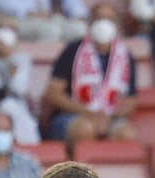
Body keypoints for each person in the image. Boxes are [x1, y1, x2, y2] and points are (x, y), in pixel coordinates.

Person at [43, 2, 138, 148]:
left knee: (126, 134)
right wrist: (89, 114)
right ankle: (81, 171)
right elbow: (53, 93)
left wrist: (107, 118)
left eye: (109, 19)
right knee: (84, 129)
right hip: (73, 115)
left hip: (110, 116)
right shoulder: (72, 50)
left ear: (117, 25)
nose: (103, 24)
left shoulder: (125, 55)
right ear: (90, 23)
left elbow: (131, 100)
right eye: (99, 18)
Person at [0, 0, 90, 43]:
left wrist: (78, 14)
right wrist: (30, 13)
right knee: (50, 31)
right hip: (14, 20)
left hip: (49, 18)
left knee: (79, 29)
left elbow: (75, 7)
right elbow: (2, 4)